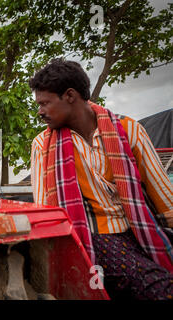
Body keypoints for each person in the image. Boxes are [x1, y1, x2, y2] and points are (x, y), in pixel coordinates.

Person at [29, 58, 173, 300]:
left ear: (70, 96)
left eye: (44, 103)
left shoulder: (129, 130)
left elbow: (164, 197)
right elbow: (47, 212)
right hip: (94, 239)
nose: (40, 111)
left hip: (142, 231)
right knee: (160, 288)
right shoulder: (43, 145)